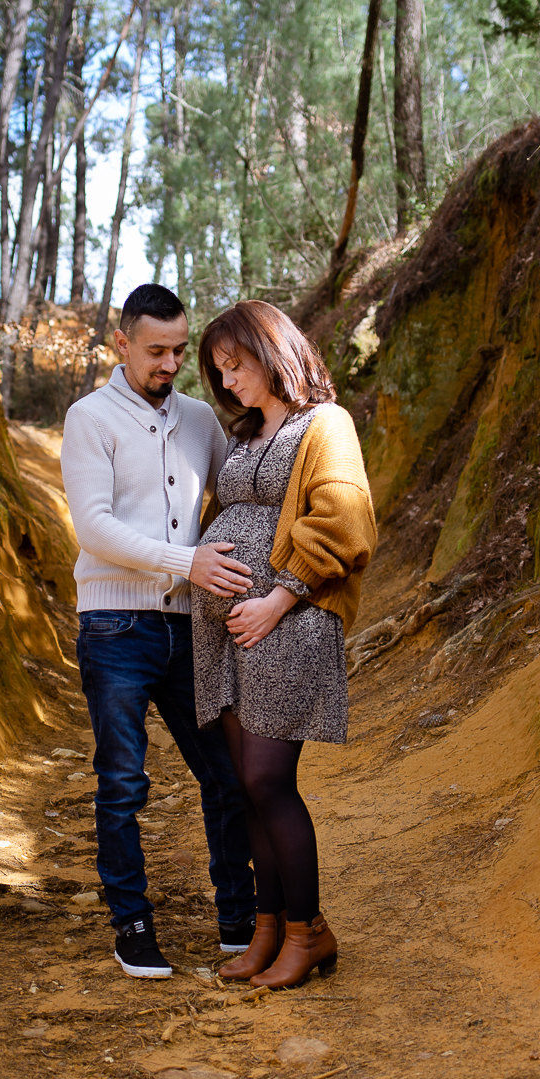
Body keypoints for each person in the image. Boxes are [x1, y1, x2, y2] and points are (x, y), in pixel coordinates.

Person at [60, 283, 259, 979]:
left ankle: (238, 917)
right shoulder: (90, 418)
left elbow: (241, 492)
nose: (169, 363)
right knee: (122, 781)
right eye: (155, 351)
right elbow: (94, 527)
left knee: (226, 774)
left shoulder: (201, 419)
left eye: (178, 350)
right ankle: (133, 924)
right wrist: (187, 561)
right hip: (114, 625)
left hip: (191, 626)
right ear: (121, 343)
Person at [191, 299, 376, 990]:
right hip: (228, 633)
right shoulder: (245, 432)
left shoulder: (324, 425)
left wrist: (277, 597)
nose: (228, 381)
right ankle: (267, 931)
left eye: (236, 365)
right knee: (248, 786)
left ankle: (308, 932)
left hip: (287, 620)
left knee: (270, 780)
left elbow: (346, 521)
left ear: (272, 353)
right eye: (219, 371)